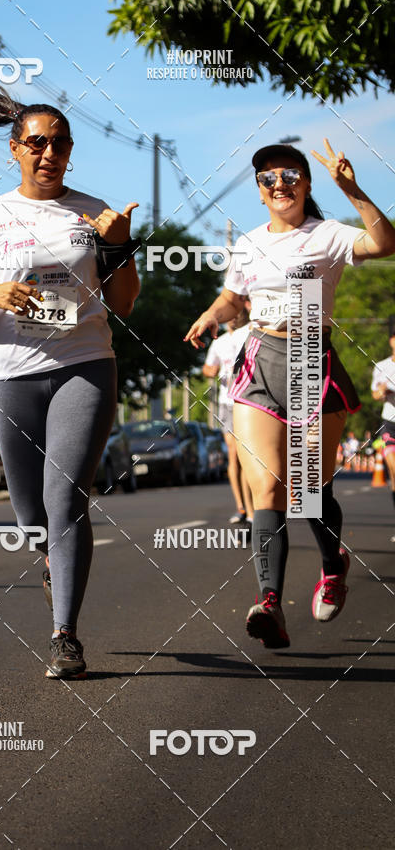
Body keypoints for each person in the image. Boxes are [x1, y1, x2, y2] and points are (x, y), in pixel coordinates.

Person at [0, 79, 140, 678]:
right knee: (31, 513)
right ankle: (52, 555)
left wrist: (118, 247)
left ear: (70, 149)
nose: (47, 153)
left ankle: (65, 636)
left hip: (84, 364)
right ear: (14, 149)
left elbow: (126, 304)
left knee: (66, 499)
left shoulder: (93, 211)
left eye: (58, 143)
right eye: (36, 143)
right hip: (13, 375)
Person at [185, 139, 395, 649]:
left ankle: (332, 565)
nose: (279, 184)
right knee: (268, 489)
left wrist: (353, 190)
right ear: (259, 192)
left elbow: (385, 243)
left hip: (310, 361)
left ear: (306, 183)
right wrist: (212, 315)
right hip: (260, 357)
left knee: (309, 491)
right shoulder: (249, 242)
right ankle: (270, 602)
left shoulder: (327, 235)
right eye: (268, 178)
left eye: (290, 175)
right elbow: (236, 294)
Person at [202, 307, 254, 533]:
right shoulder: (220, 342)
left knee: (245, 457)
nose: (231, 318)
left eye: (235, 313)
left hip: (247, 400)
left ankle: (254, 510)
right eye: (227, 314)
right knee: (234, 456)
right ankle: (241, 507)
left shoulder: (251, 332)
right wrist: (211, 371)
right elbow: (207, 368)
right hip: (227, 403)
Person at [371, 330, 395, 540]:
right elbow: (375, 394)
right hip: (390, 424)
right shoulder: (382, 366)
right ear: (391, 340)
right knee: (394, 468)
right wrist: (383, 391)